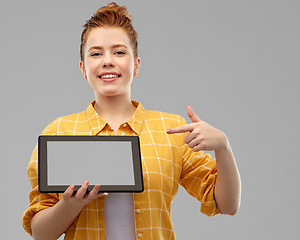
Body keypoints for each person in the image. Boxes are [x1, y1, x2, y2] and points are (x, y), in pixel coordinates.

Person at [22, 2, 241, 240]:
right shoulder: (59, 133)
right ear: (83, 68)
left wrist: (223, 147)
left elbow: (227, 205)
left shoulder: (170, 130)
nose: (107, 61)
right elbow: (40, 233)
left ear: (136, 65)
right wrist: (71, 205)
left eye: (119, 52)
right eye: (96, 53)